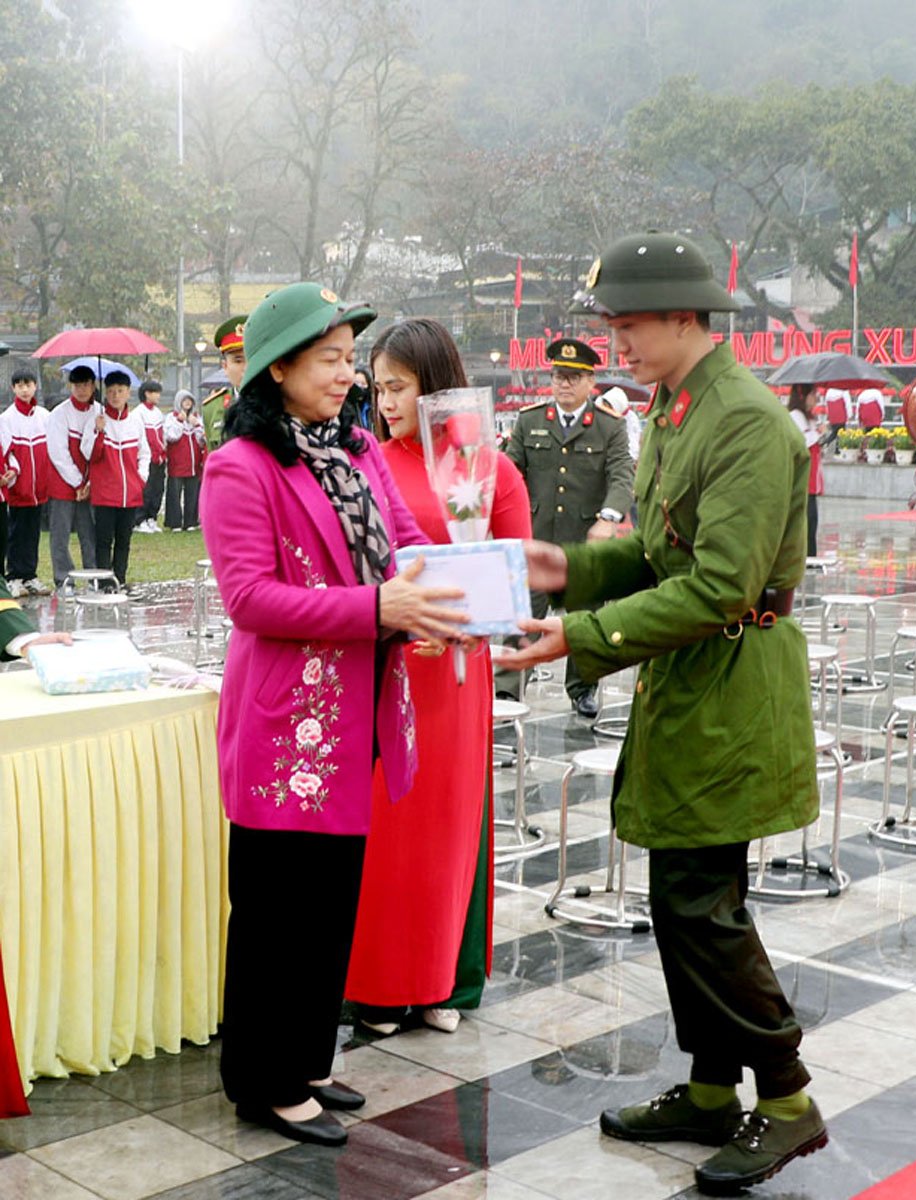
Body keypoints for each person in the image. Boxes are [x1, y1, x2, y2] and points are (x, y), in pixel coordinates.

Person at [507, 232, 825, 1196]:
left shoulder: (746, 422)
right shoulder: (678, 408)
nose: (617, 342)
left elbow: (723, 586)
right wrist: (564, 567)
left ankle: (785, 1100)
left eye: (629, 324)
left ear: (685, 317)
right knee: (679, 896)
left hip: (730, 685)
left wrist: (582, 634)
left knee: (703, 903)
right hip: (688, 685)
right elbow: (658, 555)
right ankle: (707, 1088)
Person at [200, 281, 467, 1150]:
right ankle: (264, 1081)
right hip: (288, 728)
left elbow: (404, 543)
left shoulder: (354, 453)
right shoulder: (239, 466)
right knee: (277, 909)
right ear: (277, 368)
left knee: (327, 904)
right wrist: (376, 611)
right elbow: (250, 598)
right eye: (331, 361)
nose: (349, 377)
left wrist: (443, 584)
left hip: (355, 716)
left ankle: (308, 1058)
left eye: (352, 360)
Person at [346, 317, 532, 1036]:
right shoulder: (365, 458)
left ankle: (441, 982)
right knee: (388, 826)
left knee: (448, 827)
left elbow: (518, 567)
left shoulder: (486, 466)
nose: (385, 400)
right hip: (390, 664)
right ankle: (377, 984)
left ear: (435, 382)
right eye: (378, 386)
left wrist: (475, 619)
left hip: (455, 671)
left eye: (398, 385)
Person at [504, 337, 634, 717]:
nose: (564, 384)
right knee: (523, 613)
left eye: (574, 378)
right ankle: (509, 689)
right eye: (559, 376)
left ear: (590, 383)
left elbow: (622, 475)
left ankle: (582, 688)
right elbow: (511, 471)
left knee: (584, 618)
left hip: (584, 540)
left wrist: (609, 518)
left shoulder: (608, 427)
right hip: (538, 535)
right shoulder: (530, 421)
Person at [84, 370, 149, 591]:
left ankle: (119, 579)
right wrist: (98, 432)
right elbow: (90, 455)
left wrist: (141, 478)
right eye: (111, 391)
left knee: (124, 541)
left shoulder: (135, 421)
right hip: (105, 494)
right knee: (103, 542)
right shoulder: (98, 420)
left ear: (128, 392)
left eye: (120, 391)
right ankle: (104, 582)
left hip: (130, 493)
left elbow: (144, 453)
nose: (115, 396)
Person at [45, 364, 99, 590]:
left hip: (90, 484)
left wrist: (88, 483)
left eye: (86, 384)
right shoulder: (60, 413)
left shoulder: (99, 412)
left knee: (90, 534)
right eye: (77, 385)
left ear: (93, 385)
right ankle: (63, 578)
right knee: (60, 534)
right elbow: (57, 452)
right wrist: (78, 481)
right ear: (71, 386)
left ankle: (93, 575)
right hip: (63, 483)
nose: (82, 390)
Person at [0, 365, 51, 596]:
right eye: (19, 385)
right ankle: (14, 576)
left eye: (28, 385)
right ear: (13, 388)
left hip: (39, 487)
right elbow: (6, 452)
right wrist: (13, 471)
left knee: (33, 532)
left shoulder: (44, 416)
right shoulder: (7, 418)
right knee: (16, 532)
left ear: (35, 386)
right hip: (18, 487)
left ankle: (30, 574)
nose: (24, 390)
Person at [787, 384, 826, 559]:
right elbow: (801, 442)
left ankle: (811, 557)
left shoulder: (809, 418)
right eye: (813, 394)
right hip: (802, 481)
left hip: (812, 481)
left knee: (812, 523)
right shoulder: (795, 416)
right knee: (806, 522)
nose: (816, 399)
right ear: (803, 396)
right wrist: (818, 433)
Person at [202, 314, 247, 446]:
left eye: (251, 358)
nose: (246, 367)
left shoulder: (281, 403)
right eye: (238, 360)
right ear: (225, 367)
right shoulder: (212, 408)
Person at [163, 389, 206, 531]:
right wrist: (180, 421)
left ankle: (191, 521)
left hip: (193, 464)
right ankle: (174, 522)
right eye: (184, 400)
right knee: (174, 493)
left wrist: (197, 426)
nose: (187, 403)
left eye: (190, 400)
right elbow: (171, 436)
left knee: (192, 493)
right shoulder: (171, 417)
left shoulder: (196, 417)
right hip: (177, 463)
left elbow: (202, 441)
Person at [131, 380, 167, 533]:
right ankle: (140, 519)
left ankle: (152, 517)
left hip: (160, 457)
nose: (158, 396)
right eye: (155, 392)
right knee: (146, 488)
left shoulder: (158, 412)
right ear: (147, 394)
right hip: (148, 457)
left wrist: (163, 452)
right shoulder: (138, 413)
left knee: (158, 489)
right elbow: (143, 437)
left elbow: (162, 434)